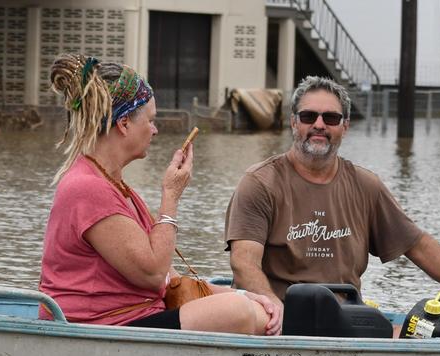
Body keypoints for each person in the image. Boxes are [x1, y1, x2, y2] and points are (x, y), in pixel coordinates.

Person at [224, 75, 440, 329]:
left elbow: (417, 245)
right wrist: (278, 313)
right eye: (309, 116)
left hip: (344, 319)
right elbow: (244, 264)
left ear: (345, 126)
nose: (319, 125)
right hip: (274, 320)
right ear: (293, 122)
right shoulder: (260, 182)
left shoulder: (365, 185)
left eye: (331, 118)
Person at [39, 53, 280, 335]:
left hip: (132, 320)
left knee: (249, 305)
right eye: (150, 120)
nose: (154, 130)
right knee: (240, 313)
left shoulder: (112, 183)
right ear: (124, 123)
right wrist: (171, 196)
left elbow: (169, 278)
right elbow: (153, 275)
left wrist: (243, 294)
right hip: (102, 328)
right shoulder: (88, 188)